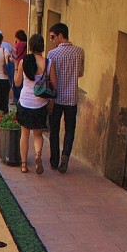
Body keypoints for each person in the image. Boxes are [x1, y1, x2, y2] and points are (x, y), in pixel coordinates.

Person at [14, 33, 56, 174]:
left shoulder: (23, 62)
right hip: (40, 103)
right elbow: (54, 85)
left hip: (25, 101)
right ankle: (38, 155)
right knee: (38, 134)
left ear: (30, 46)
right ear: (43, 46)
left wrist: (16, 68)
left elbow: (17, 82)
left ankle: (24, 165)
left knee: (24, 134)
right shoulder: (49, 63)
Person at [47, 22, 85, 173]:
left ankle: (54, 160)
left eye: (52, 37)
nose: (51, 40)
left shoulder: (52, 54)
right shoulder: (79, 52)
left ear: (60, 35)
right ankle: (66, 155)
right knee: (70, 129)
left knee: (54, 129)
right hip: (71, 98)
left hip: (56, 98)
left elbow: (49, 76)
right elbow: (81, 73)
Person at [12, 29, 27, 103]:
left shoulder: (18, 45)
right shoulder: (26, 44)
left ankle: (16, 98)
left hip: (17, 64)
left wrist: (15, 45)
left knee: (16, 82)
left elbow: (14, 55)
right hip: (25, 64)